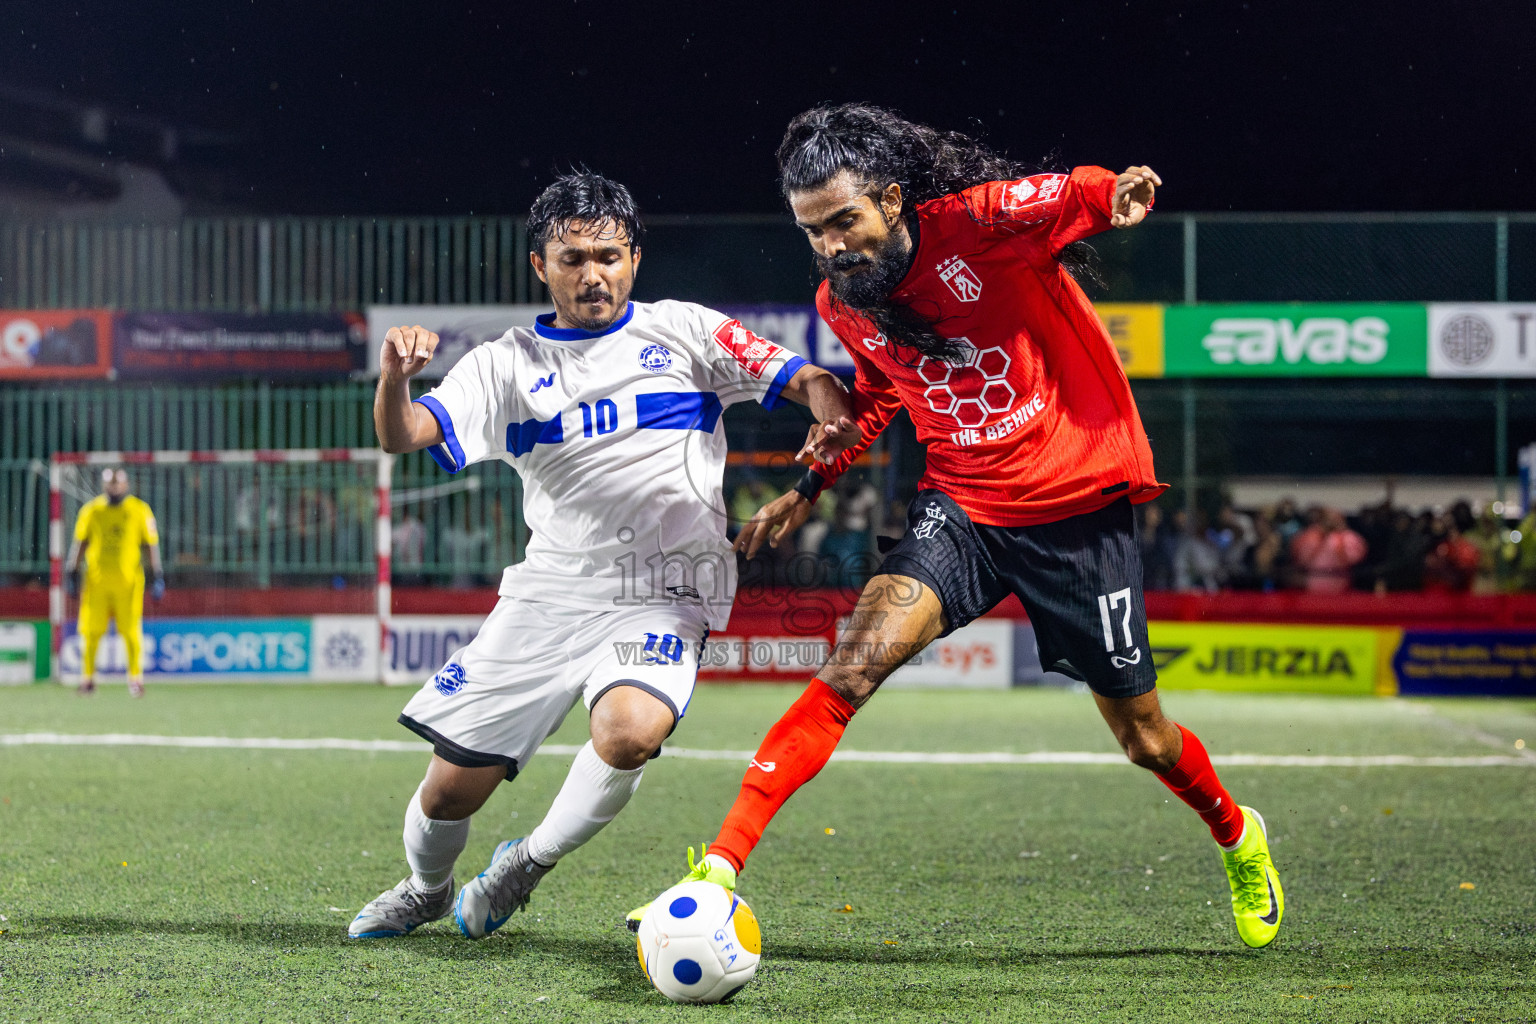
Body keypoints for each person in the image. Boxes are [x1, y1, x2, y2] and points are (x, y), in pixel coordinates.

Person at [632, 104, 1284, 949]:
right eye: (812, 231)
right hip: (965, 506)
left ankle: (1238, 836)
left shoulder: (974, 228)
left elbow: (1057, 196)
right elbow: (879, 395)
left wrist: (1112, 192)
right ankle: (716, 871)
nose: (831, 246)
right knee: (848, 672)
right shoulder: (844, 301)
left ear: (893, 200)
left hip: (1076, 510)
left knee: (1147, 741)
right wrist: (809, 485)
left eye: (843, 222)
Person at [348, 172, 858, 941]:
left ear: (635, 259)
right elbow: (401, 435)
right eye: (574, 258)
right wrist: (394, 379)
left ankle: (526, 864)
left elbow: (812, 379)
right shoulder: (503, 365)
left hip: (666, 587)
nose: (595, 274)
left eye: (611, 256)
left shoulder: (684, 331)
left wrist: (824, 426)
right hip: (549, 593)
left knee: (628, 732)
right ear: (540, 267)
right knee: (450, 794)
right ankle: (425, 888)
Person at [65, 468, 164, 697]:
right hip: (96, 582)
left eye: (118, 483)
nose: (114, 488)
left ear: (126, 485)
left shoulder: (140, 510)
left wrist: (157, 575)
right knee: (90, 631)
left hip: (128, 583)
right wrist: (72, 572)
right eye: (110, 483)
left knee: (131, 632)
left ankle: (135, 680)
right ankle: (87, 679)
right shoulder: (91, 510)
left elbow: (151, 544)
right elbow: (80, 543)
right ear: (103, 485)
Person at [1288, 508, 1367, 594]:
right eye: (1327, 519)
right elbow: (1300, 557)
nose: (1330, 522)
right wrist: (1320, 537)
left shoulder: (1348, 537)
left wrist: (1339, 540)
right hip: (1313, 582)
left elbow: (1355, 558)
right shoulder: (1310, 535)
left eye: (1334, 519)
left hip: (1340, 582)